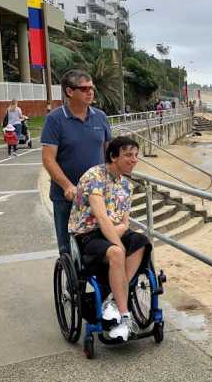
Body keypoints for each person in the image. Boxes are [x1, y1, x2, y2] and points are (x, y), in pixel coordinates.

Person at [69, 136, 148, 341]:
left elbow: (124, 222)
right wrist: (118, 243)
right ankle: (124, 315)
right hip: (88, 233)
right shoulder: (94, 176)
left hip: (113, 231)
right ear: (113, 157)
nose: (134, 160)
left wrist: (120, 232)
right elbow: (102, 217)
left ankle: (112, 299)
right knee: (116, 252)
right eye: (128, 155)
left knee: (142, 241)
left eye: (136, 155)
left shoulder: (126, 185)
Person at [41, 70, 111, 254]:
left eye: (92, 88)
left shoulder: (100, 117)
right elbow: (48, 159)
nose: (90, 92)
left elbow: (108, 154)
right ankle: (73, 282)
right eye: (84, 88)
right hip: (66, 197)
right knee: (68, 250)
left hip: (97, 194)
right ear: (69, 92)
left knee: (101, 245)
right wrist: (67, 186)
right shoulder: (54, 120)